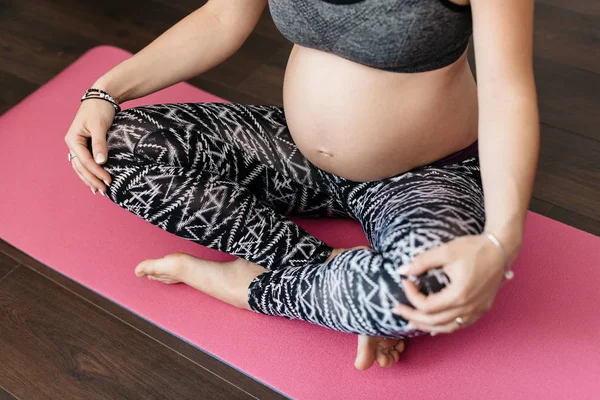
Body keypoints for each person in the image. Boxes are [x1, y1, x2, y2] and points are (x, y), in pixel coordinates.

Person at [64, 0, 539, 371]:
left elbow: (506, 90)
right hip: (295, 155)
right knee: (118, 147)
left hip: (423, 173)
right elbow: (221, 17)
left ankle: (243, 284)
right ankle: (323, 271)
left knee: (427, 290)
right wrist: (105, 91)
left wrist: (500, 242)